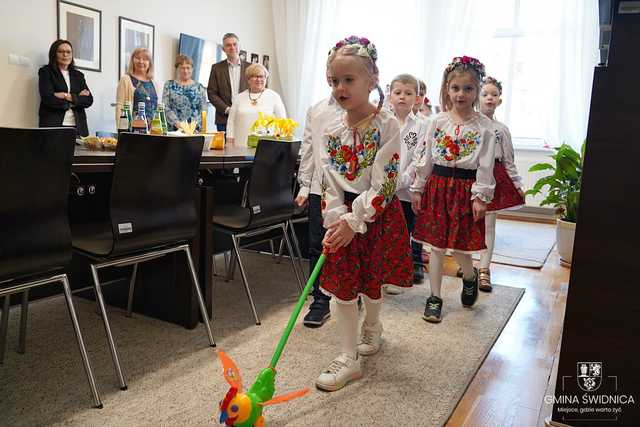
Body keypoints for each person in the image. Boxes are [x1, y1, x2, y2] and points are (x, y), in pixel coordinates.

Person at [315, 36, 413, 392]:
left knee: (371, 284)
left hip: (375, 215)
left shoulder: (387, 126)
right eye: (334, 81)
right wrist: (338, 219)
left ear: (372, 79)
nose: (340, 88)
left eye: (348, 80)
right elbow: (329, 181)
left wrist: (356, 221)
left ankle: (373, 325)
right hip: (342, 217)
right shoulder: (331, 130)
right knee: (342, 287)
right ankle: (347, 357)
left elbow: (385, 184)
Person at [410, 56, 496, 323]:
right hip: (437, 185)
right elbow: (425, 157)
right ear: (447, 89)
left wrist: (480, 196)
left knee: (460, 245)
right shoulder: (435, 123)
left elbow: (485, 164)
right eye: (455, 88)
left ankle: (469, 275)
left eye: (468, 89)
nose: (461, 94)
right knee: (435, 246)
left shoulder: (485, 128)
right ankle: (434, 297)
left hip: (465, 189)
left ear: (477, 90)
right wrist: (418, 187)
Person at [295, 74, 342, 328]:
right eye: (334, 78)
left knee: (347, 245)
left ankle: (349, 294)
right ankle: (320, 299)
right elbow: (308, 148)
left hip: (349, 189)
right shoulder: (317, 110)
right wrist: (304, 184)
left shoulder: (364, 112)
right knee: (316, 243)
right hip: (319, 188)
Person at [382, 74, 430, 296]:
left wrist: (399, 182)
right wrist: (385, 183)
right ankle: (380, 273)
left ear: (417, 98)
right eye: (398, 92)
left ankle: (397, 275)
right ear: (390, 95)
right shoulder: (382, 120)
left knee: (402, 233)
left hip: (405, 192)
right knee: (383, 234)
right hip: (381, 188)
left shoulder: (422, 126)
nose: (402, 97)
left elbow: (418, 159)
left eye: (408, 93)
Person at [477, 76, 525, 291]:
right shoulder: (469, 125)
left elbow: (508, 159)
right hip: (470, 175)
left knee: (489, 224)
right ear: (476, 97)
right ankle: (469, 262)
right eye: (485, 94)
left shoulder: (501, 129)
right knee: (468, 222)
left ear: (499, 100)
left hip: (494, 177)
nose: (489, 98)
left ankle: (485, 269)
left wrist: (516, 183)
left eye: (494, 95)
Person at [38, 39, 93, 136]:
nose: (65, 55)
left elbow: (88, 100)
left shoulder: (78, 75)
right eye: (61, 52)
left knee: (79, 151)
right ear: (54, 54)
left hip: (78, 127)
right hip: (53, 125)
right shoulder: (46, 72)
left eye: (68, 52)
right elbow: (48, 98)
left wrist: (65, 95)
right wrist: (76, 98)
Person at [226, 63, 286, 147]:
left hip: (266, 146)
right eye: (255, 76)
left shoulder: (274, 96)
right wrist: (229, 141)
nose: (259, 79)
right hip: (240, 145)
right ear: (248, 79)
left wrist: (280, 142)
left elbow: (282, 121)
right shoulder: (238, 98)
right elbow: (231, 121)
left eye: (262, 76)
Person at [207, 33, 251, 132]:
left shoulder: (251, 67)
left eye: (235, 44)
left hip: (246, 117)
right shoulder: (216, 68)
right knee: (225, 147)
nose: (232, 47)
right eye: (228, 45)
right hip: (223, 119)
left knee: (245, 147)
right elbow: (211, 93)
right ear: (223, 49)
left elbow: (255, 92)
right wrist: (227, 110)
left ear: (240, 47)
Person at [162, 55, 208, 131]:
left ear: (192, 69)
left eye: (188, 68)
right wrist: (177, 123)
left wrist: (193, 125)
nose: (185, 71)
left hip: (194, 130)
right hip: (174, 129)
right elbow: (165, 107)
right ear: (177, 69)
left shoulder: (199, 87)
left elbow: (204, 110)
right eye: (182, 68)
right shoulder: (169, 85)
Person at [116, 47, 158, 126]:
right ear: (132, 60)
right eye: (138, 58)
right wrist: (121, 131)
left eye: (145, 59)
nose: (141, 61)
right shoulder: (125, 80)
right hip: (133, 131)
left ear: (149, 63)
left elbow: (157, 110)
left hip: (153, 132)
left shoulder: (154, 83)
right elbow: (120, 106)